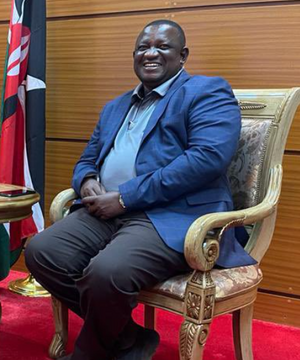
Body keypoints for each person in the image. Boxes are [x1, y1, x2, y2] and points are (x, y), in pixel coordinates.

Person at [25, 20, 253, 360]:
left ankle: (89, 353)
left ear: (182, 55)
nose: (150, 53)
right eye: (143, 47)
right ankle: (131, 339)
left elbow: (206, 159)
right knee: (42, 251)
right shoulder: (115, 106)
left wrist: (125, 197)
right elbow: (88, 158)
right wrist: (87, 181)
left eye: (162, 47)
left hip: (171, 215)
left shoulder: (207, 92)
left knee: (107, 273)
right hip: (105, 210)